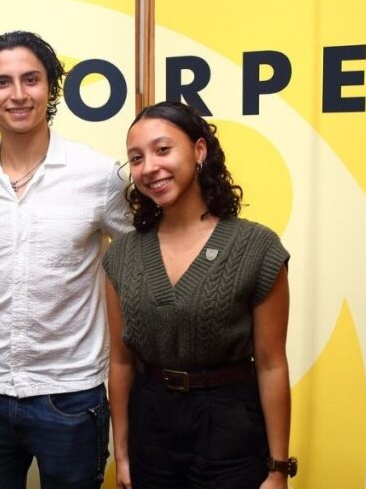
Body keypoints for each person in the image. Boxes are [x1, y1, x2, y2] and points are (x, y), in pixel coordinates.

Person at [0, 30, 132, 488]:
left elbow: (144, 254)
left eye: (31, 79)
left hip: (71, 395)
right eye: (2, 82)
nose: (18, 94)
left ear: (51, 87)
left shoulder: (98, 175)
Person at [103, 101, 295, 488]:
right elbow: (121, 363)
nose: (149, 167)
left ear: (199, 150)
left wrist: (277, 470)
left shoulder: (256, 247)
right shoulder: (122, 255)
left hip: (231, 427)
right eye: (136, 158)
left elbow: (272, 364)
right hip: (151, 426)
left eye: (162, 150)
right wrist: (123, 455)